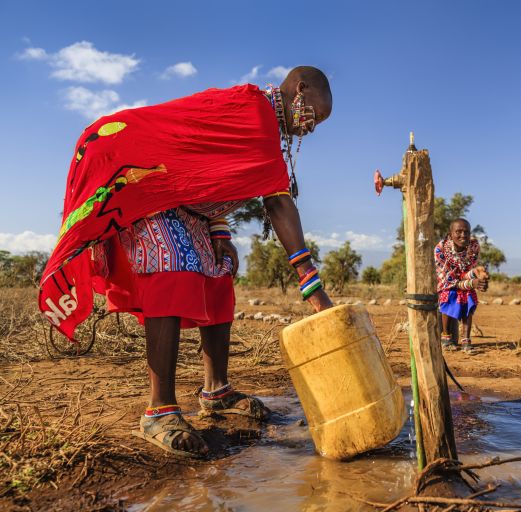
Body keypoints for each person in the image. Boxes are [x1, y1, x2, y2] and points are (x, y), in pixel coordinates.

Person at [40, 66, 334, 457]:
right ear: (300, 89)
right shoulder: (255, 112)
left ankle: (216, 392)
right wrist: (311, 284)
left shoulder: (261, 124)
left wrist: (220, 233)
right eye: (315, 114)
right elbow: (278, 202)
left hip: (179, 200)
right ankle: (158, 411)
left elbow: (207, 172)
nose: (312, 128)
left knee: (218, 274)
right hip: (139, 177)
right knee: (172, 266)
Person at [434, 218, 488, 354]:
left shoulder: (473, 246)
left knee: (469, 298)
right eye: (458, 231)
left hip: (461, 281)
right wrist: (472, 283)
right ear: (450, 233)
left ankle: (466, 340)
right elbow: (448, 280)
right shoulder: (441, 250)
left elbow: (467, 272)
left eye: (466, 232)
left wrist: (479, 278)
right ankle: (446, 337)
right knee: (449, 296)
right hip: (445, 283)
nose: (463, 235)